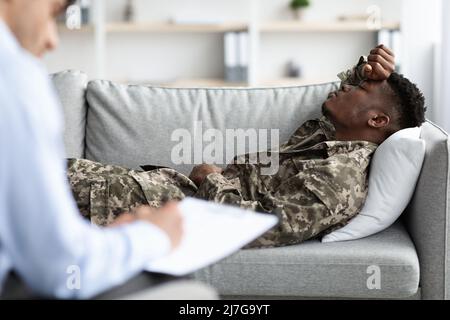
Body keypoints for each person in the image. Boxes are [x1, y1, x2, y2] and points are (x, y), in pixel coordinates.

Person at [66, 45, 426, 248]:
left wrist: (211, 177)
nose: (345, 87)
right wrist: (369, 73)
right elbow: (341, 94)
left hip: (163, 207)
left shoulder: (337, 180)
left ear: (377, 121)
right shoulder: (327, 140)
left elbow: (257, 227)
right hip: (159, 190)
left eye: (359, 90)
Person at [0, 0, 216, 300]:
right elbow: (62, 268)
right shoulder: (14, 76)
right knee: (185, 288)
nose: (52, 39)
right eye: (52, 13)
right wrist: (153, 236)